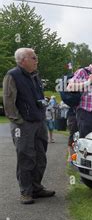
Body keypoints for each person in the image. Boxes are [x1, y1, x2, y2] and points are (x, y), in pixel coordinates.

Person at [3, 48, 55, 204]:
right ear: (22, 60)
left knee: (41, 157)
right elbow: (9, 102)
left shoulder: (35, 76)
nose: (36, 60)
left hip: (39, 121)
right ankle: (26, 192)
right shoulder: (12, 75)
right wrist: (19, 121)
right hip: (23, 125)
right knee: (26, 157)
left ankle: (36, 188)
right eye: (34, 57)